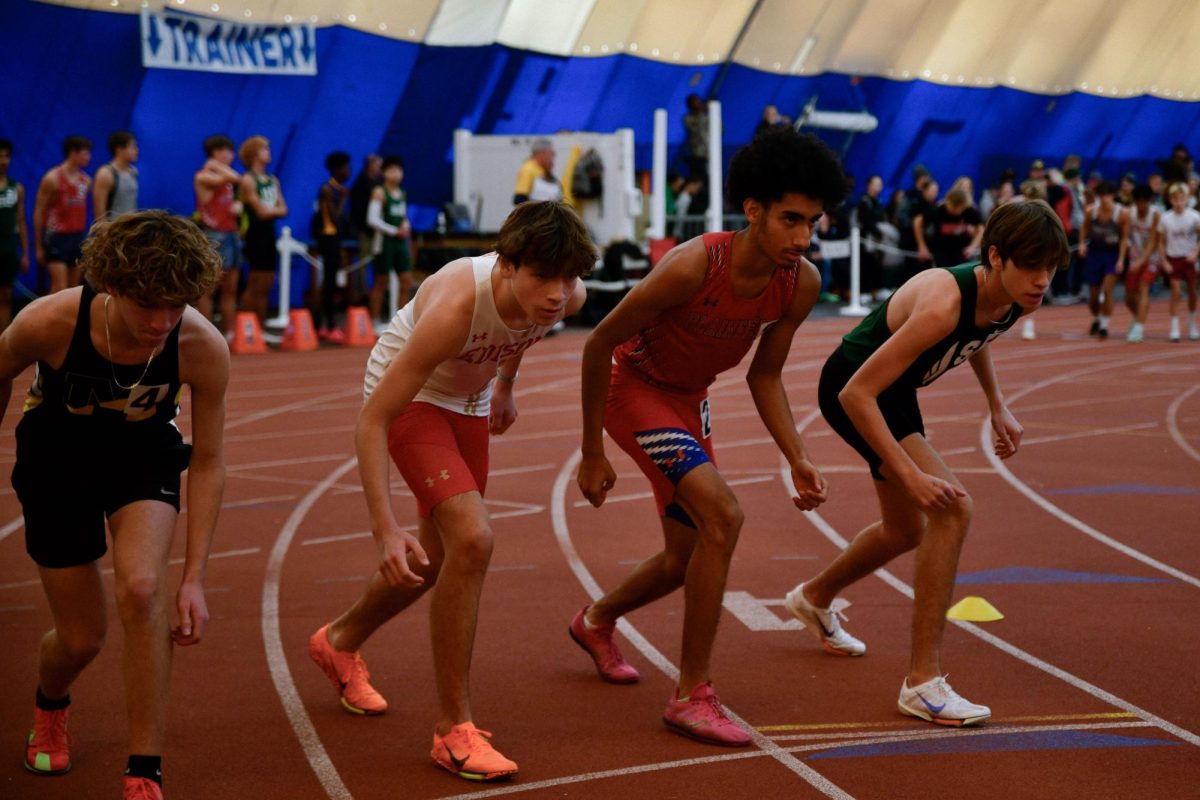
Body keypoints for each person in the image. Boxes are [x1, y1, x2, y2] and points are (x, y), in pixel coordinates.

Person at [572, 128, 847, 747]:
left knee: (685, 557)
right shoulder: (696, 264)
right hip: (635, 392)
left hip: (688, 402)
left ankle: (595, 621)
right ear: (753, 211)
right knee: (723, 516)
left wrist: (797, 456)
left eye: (813, 222)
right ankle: (691, 694)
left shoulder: (798, 282)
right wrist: (592, 452)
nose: (803, 238)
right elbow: (598, 342)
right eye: (790, 220)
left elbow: (766, 374)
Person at [307, 201, 594, 782]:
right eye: (544, 277)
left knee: (437, 560)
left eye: (568, 277)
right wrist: (383, 528)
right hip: (411, 399)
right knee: (473, 541)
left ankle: (340, 640)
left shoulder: (569, 295)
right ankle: (452, 730)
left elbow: (522, 335)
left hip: (470, 400)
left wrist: (506, 386)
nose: (558, 294)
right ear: (508, 265)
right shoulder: (457, 306)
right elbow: (372, 421)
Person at [783, 200, 1069, 727]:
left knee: (903, 529)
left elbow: (979, 334)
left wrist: (997, 403)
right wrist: (909, 472)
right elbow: (855, 394)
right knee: (952, 510)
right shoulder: (941, 302)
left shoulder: (1013, 298)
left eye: (1051, 268)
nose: (1042, 280)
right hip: (855, 386)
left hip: (894, 393)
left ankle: (814, 597)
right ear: (995, 257)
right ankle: (922, 683)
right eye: (1032, 266)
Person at [1, 211, 229, 799]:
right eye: (147, 305)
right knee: (81, 638)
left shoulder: (202, 345)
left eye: (176, 306)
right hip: (56, 461)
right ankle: (51, 704)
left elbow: (206, 461)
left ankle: (144, 768)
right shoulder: (49, 321)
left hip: (142, 458)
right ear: (110, 286)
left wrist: (196, 577)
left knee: (143, 590)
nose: (161, 323)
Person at [193, 135, 243, 335]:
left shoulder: (227, 180)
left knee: (230, 287)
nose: (232, 155)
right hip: (214, 235)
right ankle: (206, 334)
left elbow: (234, 182)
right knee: (208, 288)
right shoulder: (203, 175)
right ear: (216, 153)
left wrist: (238, 206)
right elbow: (235, 177)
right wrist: (213, 164)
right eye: (227, 151)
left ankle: (229, 333)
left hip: (231, 233)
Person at [238, 135, 287, 324]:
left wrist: (272, 210)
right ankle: (246, 324)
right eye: (264, 149)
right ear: (253, 154)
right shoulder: (248, 180)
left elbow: (284, 209)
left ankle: (259, 325)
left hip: (269, 234)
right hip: (255, 234)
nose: (269, 152)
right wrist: (274, 210)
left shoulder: (272, 180)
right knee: (255, 282)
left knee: (267, 283)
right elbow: (260, 212)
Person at [33, 135, 92, 294]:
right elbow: (39, 211)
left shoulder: (85, 180)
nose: (89, 157)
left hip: (76, 237)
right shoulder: (52, 178)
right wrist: (38, 246)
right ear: (73, 153)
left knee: (73, 290)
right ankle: (48, 318)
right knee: (59, 288)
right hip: (56, 237)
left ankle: (69, 319)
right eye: (85, 153)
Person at [1077, 181, 1128, 339]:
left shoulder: (1122, 213)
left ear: (1113, 196)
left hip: (1111, 254)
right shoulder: (1091, 212)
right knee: (1093, 295)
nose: (1105, 199)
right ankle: (1097, 318)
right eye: (1101, 196)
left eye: (1108, 195)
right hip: (1095, 253)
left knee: (1107, 289)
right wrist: (1081, 244)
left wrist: (1120, 259)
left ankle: (1105, 324)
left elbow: (1124, 238)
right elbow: (1084, 227)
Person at [366, 155, 414, 323]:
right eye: (392, 170)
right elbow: (372, 219)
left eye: (399, 170)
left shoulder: (401, 193)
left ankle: (400, 322)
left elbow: (403, 216)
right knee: (381, 281)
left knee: (406, 281)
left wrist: (406, 226)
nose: (396, 173)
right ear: (384, 172)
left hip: (400, 243)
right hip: (384, 242)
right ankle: (375, 320)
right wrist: (394, 231)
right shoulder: (379, 192)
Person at [311, 151, 352, 342]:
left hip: (334, 239)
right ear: (337, 169)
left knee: (331, 283)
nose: (348, 171)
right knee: (329, 283)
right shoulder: (328, 190)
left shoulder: (336, 188)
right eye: (346, 168)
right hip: (328, 239)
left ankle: (323, 325)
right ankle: (326, 325)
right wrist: (344, 198)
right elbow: (334, 218)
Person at [1156, 182, 1200, 342]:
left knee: (1193, 293)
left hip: (1189, 258)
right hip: (1173, 257)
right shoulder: (1165, 218)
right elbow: (1160, 242)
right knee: (1175, 292)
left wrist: (1195, 253)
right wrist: (1164, 261)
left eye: (1182, 198)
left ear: (1187, 199)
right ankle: (1174, 327)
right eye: (1175, 199)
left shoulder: (1194, 216)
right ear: (1170, 200)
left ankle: (1192, 324)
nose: (1179, 202)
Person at [1119, 184, 1161, 343]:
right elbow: (1125, 236)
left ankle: (1138, 328)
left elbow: (1153, 242)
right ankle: (1138, 318)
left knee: (1143, 286)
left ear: (1149, 201)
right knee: (1129, 296)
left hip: (1152, 258)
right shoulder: (1131, 213)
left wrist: (1142, 260)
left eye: (1145, 202)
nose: (1142, 205)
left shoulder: (1155, 214)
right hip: (1134, 257)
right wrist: (1125, 255)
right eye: (1139, 202)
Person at [0, 138, 31, 333]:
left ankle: (3, 341)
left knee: (6, 296)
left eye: (6, 156)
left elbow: (20, 221)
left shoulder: (16, 187)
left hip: (8, 250)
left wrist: (26, 254)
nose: (3, 160)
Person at [349, 154, 383, 306]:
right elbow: (358, 210)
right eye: (378, 165)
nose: (381, 168)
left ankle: (378, 293)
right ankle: (362, 294)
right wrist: (365, 227)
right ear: (370, 166)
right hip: (365, 230)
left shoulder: (379, 183)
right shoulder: (360, 184)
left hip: (378, 231)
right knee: (363, 262)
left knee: (378, 261)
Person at [927, 186, 983, 269]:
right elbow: (919, 222)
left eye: (959, 208)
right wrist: (923, 246)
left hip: (962, 253)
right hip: (942, 252)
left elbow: (981, 228)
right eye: (953, 208)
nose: (956, 211)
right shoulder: (939, 210)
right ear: (948, 203)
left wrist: (973, 246)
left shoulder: (969, 210)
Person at [94, 131, 140, 220]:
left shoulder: (133, 172)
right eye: (132, 147)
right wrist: (103, 232)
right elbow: (99, 212)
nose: (136, 151)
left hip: (130, 228)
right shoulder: (105, 173)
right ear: (119, 150)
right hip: (113, 229)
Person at [512, 139, 562, 205]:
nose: (553, 158)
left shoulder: (543, 171)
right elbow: (519, 198)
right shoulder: (528, 170)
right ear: (542, 153)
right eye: (552, 154)